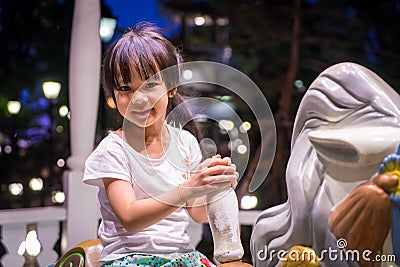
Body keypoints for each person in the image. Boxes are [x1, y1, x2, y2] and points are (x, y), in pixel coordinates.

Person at [83, 22, 239, 267]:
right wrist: (189, 187)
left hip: (181, 258)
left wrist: (211, 186)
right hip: (129, 259)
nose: (139, 98)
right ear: (112, 98)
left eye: (151, 84)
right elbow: (130, 217)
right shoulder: (112, 150)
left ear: (171, 88)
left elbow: (197, 214)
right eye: (125, 88)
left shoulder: (185, 142)